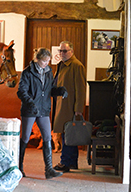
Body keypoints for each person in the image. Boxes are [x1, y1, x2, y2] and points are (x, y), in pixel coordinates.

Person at [17, 47, 68, 179]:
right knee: (26, 137)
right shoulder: (27, 72)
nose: (46, 64)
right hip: (30, 110)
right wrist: (30, 103)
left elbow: (49, 90)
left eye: (48, 61)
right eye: (44, 61)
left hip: (44, 109)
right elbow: (21, 91)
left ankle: (49, 170)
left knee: (47, 137)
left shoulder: (48, 72)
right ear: (37, 59)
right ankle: (19, 167)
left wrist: (59, 91)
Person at [52, 41, 86, 173]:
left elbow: (81, 89)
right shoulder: (61, 65)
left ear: (72, 51)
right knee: (68, 133)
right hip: (61, 103)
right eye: (60, 51)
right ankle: (71, 162)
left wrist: (78, 109)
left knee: (68, 134)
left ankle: (65, 162)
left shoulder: (76, 66)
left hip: (70, 106)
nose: (62, 53)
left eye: (64, 51)